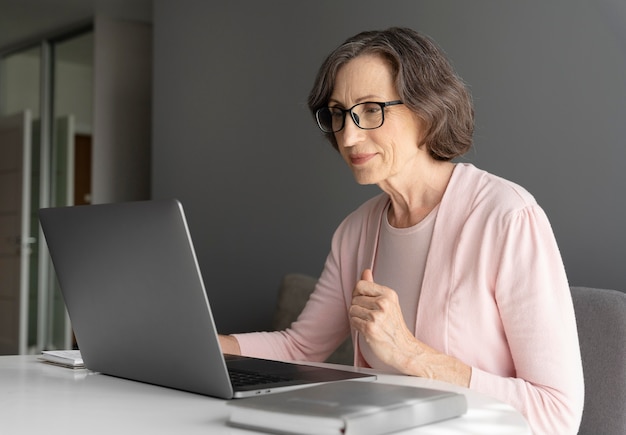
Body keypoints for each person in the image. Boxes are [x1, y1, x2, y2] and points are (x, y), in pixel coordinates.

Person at [219, 27, 584, 434]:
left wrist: (410, 353)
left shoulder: (507, 217)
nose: (349, 135)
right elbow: (299, 348)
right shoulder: (356, 230)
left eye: (371, 109)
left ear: (427, 108)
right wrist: (207, 346)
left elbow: (557, 414)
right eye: (338, 113)